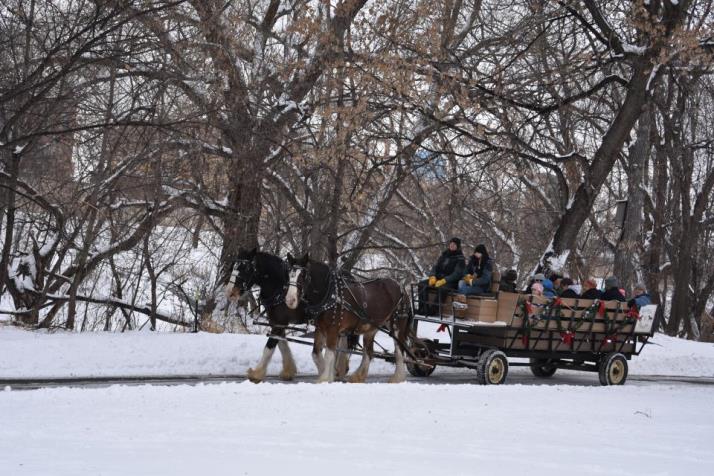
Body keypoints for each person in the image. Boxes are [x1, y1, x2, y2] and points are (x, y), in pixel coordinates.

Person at [417, 238, 466, 313]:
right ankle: (423, 308)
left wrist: (445, 280)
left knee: (442, 289)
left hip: (451, 282)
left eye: (454, 244)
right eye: (451, 244)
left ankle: (433, 311)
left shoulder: (460, 259)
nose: (452, 245)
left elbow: (457, 274)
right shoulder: (444, 255)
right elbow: (435, 267)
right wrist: (432, 276)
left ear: (458, 246)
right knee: (422, 284)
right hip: (438, 278)